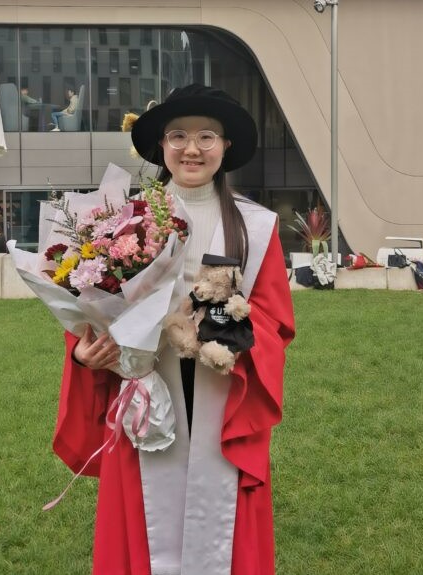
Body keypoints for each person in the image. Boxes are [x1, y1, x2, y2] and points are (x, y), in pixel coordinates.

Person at [54, 84, 295, 574]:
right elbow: (90, 309)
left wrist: (228, 328)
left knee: (220, 515)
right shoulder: (123, 221)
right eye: (178, 136)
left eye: (207, 136)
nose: (192, 148)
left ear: (225, 147)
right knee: (146, 515)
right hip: (145, 390)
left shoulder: (257, 226)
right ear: (161, 146)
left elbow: (275, 320)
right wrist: (84, 355)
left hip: (222, 390)